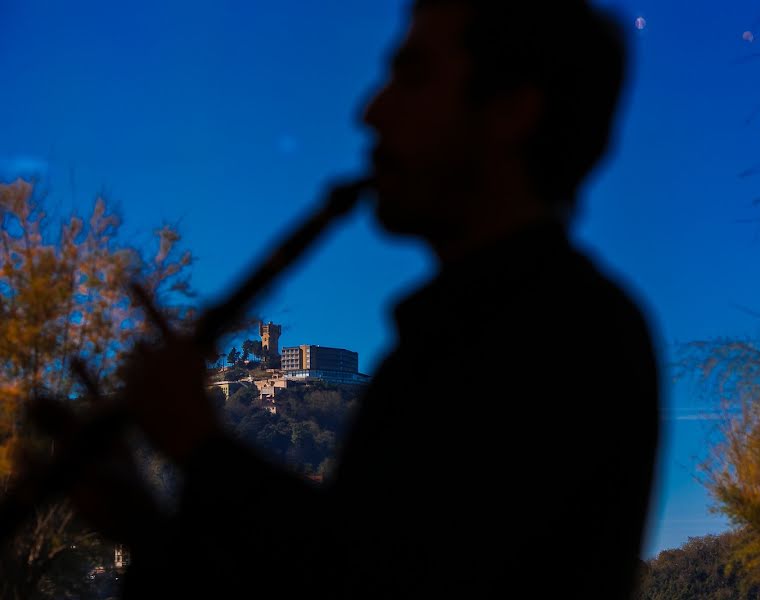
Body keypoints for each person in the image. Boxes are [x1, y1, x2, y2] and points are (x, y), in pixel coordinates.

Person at [71, 1, 660, 597]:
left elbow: (373, 574)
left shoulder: (562, 336)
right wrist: (143, 526)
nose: (371, 111)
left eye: (413, 75)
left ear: (511, 110)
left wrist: (199, 448)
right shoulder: (489, 328)